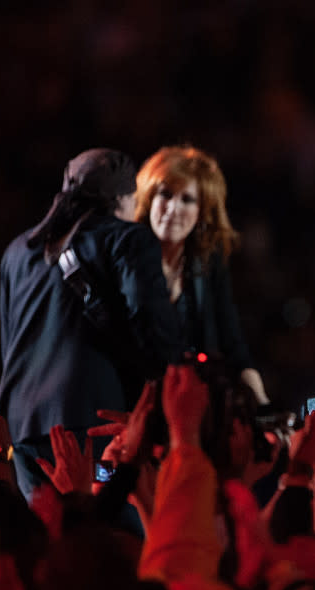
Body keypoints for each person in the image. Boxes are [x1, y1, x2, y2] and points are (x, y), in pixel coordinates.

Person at [0, 148, 182, 499]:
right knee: (110, 540)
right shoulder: (126, 239)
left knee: (52, 540)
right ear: (123, 198)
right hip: (95, 427)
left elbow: (9, 347)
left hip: (22, 432)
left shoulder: (17, 251)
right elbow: (152, 327)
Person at [119, 145, 270, 408]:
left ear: (203, 212)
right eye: (165, 195)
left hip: (190, 408)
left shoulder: (206, 264)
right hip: (131, 406)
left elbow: (232, 343)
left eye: (186, 199)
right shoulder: (124, 258)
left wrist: (263, 405)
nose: (172, 209)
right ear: (148, 199)